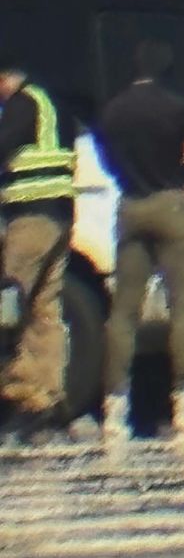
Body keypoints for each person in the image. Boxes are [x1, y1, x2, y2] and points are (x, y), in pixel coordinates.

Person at [95, 41, 184, 441]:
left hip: (130, 206)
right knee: (183, 306)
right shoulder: (179, 108)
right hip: (171, 204)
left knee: (124, 312)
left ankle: (114, 407)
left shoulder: (112, 111)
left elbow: (105, 159)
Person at [0, 52, 78, 442]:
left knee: (8, 306)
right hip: (60, 217)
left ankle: (17, 393)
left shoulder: (21, 105)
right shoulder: (54, 103)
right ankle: (46, 396)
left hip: (30, 218)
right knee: (45, 309)